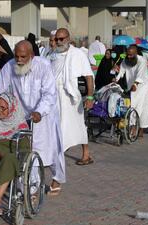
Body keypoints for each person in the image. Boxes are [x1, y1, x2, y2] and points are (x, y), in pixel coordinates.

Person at [0, 40, 66, 195]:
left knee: (52, 149)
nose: (18, 60)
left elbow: (49, 94)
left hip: (43, 115)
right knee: (26, 149)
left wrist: (39, 112)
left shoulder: (43, 66)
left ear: (31, 56)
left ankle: (57, 177)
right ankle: (30, 190)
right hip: (20, 117)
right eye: (16, 56)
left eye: (23, 57)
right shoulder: (9, 67)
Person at [52, 28, 94, 166]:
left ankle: (86, 154)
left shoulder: (78, 54)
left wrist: (89, 97)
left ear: (68, 39)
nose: (58, 42)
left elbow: (88, 76)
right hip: (54, 96)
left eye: (61, 39)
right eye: (56, 39)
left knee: (78, 126)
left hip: (71, 97)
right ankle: (58, 153)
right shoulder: (52, 55)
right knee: (57, 125)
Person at [115, 45, 148, 137]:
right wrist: (116, 78)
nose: (129, 57)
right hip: (132, 86)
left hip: (142, 86)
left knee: (142, 107)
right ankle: (133, 126)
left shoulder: (142, 60)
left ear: (136, 53)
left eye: (131, 55)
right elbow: (121, 71)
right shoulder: (126, 60)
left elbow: (140, 74)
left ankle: (139, 129)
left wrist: (136, 84)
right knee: (132, 106)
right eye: (128, 55)